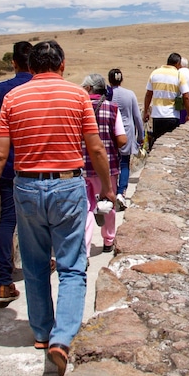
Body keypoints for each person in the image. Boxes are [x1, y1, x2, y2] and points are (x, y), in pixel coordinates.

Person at [0, 40, 115, 376]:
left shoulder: (12, 98)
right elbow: (94, 148)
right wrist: (108, 188)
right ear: (62, 66)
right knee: (72, 265)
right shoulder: (78, 97)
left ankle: (41, 333)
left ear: (30, 67)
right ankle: (62, 339)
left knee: (36, 264)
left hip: (26, 187)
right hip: (67, 186)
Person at [0, 40, 33, 307]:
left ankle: (4, 282)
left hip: (8, 165)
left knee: (7, 222)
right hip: (37, 165)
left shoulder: (2, 90)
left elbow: (1, 118)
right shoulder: (40, 89)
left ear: (14, 62)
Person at [81, 74, 126, 254]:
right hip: (107, 167)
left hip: (82, 166)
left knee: (84, 208)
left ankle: (83, 247)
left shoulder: (78, 108)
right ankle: (109, 239)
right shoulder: (112, 108)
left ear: (89, 88)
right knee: (108, 202)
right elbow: (122, 139)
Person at [108, 68, 143, 210]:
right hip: (127, 132)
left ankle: (111, 190)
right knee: (124, 163)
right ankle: (121, 192)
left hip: (110, 132)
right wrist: (141, 136)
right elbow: (137, 117)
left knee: (111, 164)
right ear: (121, 79)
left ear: (109, 80)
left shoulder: (107, 94)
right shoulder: (130, 94)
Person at [142, 52, 189, 151]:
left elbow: (148, 94)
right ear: (177, 64)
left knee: (157, 145)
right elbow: (186, 97)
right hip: (172, 116)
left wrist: (146, 111)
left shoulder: (155, 73)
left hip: (157, 116)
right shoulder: (178, 75)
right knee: (170, 146)